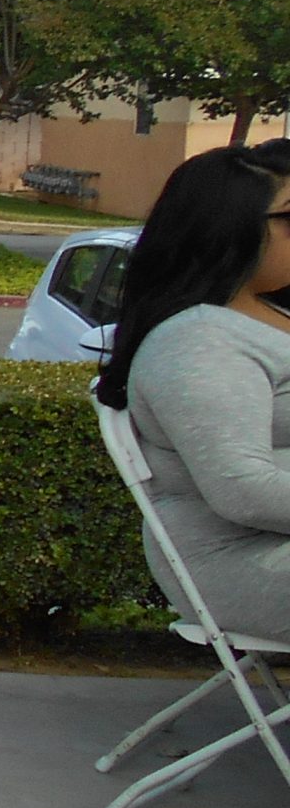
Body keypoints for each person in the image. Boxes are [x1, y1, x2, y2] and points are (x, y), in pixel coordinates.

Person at [97, 144, 290, 641]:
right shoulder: (199, 340)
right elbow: (244, 489)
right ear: (230, 226)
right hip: (242, 562)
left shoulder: (263, 316)